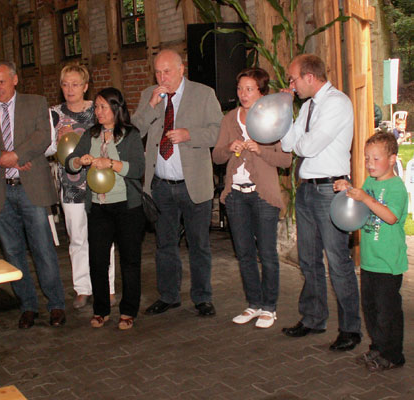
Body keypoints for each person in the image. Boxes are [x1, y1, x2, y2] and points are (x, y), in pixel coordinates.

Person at [0, 60, 66, 329]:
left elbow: (42, 137)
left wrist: (17, 155)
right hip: (1, 191)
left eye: (1, 82)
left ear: (14, 80)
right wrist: (3, 158)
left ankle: (56, 304)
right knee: (13, 253)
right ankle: (27, 306)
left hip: (31, 189)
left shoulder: (36, 103)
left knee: (43, 249)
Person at [132, 49, 223, 317]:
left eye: (167, 71)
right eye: (158, 72)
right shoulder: (150, 94)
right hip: (160, 185)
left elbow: (218, 132)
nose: (162, 78)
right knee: (165, 245)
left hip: (193, 184)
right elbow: (134, 131)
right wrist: (150, 105)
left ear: (181, 69)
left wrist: (189, 135)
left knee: (199, 245)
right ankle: (169, 296)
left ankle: (202, 297)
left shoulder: (203, 94)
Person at [280, 54, 361, 351]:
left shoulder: (337, 103)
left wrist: (300, 140)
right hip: (307, 190)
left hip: (330, 189)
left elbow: (309, 146)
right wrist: (286, 110)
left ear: (310, 77)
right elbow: (287, 144)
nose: (291, 85)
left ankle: (351, 329)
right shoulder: (308, 106)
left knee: (338, 262)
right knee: (309, 259)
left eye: (294, 80)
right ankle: (314, 318)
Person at [212, 68, 292, 328]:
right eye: (240, 89)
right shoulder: (229, 119)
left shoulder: (274, 118)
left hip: (263, 195)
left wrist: (260, 151)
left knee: (267, 253)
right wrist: (229, 148)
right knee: (244, 253)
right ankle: (254, 304)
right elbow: (217, 157)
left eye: (249, 89)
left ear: (261, 92)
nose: (243, 94)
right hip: (236, 194)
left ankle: (269, 307)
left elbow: (286, 160)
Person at [66, 87, 145, 329]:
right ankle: (101, 310)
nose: (98, 112)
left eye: (103, 107)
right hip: (99, 208)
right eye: (96, 107)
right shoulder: (90, 135)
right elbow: (70, 162)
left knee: (130, 261)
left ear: (116, 108)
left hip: (127, 207)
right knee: (98, 261)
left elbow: (138, 169)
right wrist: (78, 161)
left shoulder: (130, 135)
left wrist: (111, 163)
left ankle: (128, 311)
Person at [334, 132, 408, 372]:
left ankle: (393, 355)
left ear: (392, 159)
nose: (369, 163)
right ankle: (378, 347)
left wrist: (365, 198)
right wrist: (349, 189)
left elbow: (390, 216)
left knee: (388, 312)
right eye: (367, 158)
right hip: (370, 261)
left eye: (376, 159)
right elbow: (360, 205)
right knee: (371, 309)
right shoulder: (369, 183)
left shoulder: (396, 187)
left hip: (388, 263)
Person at [45, 64, 116, 310]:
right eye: (65, 84)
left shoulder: (98, 109)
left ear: (85, 86)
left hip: (100, 182)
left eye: (75, 84)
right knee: (77, 238)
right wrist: (56, 140)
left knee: (105, 238)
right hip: (71, 185)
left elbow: (114, 137)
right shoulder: (54, 114)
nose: (70, 89)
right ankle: (82, 288)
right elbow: (46, 150)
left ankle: (107, 287)